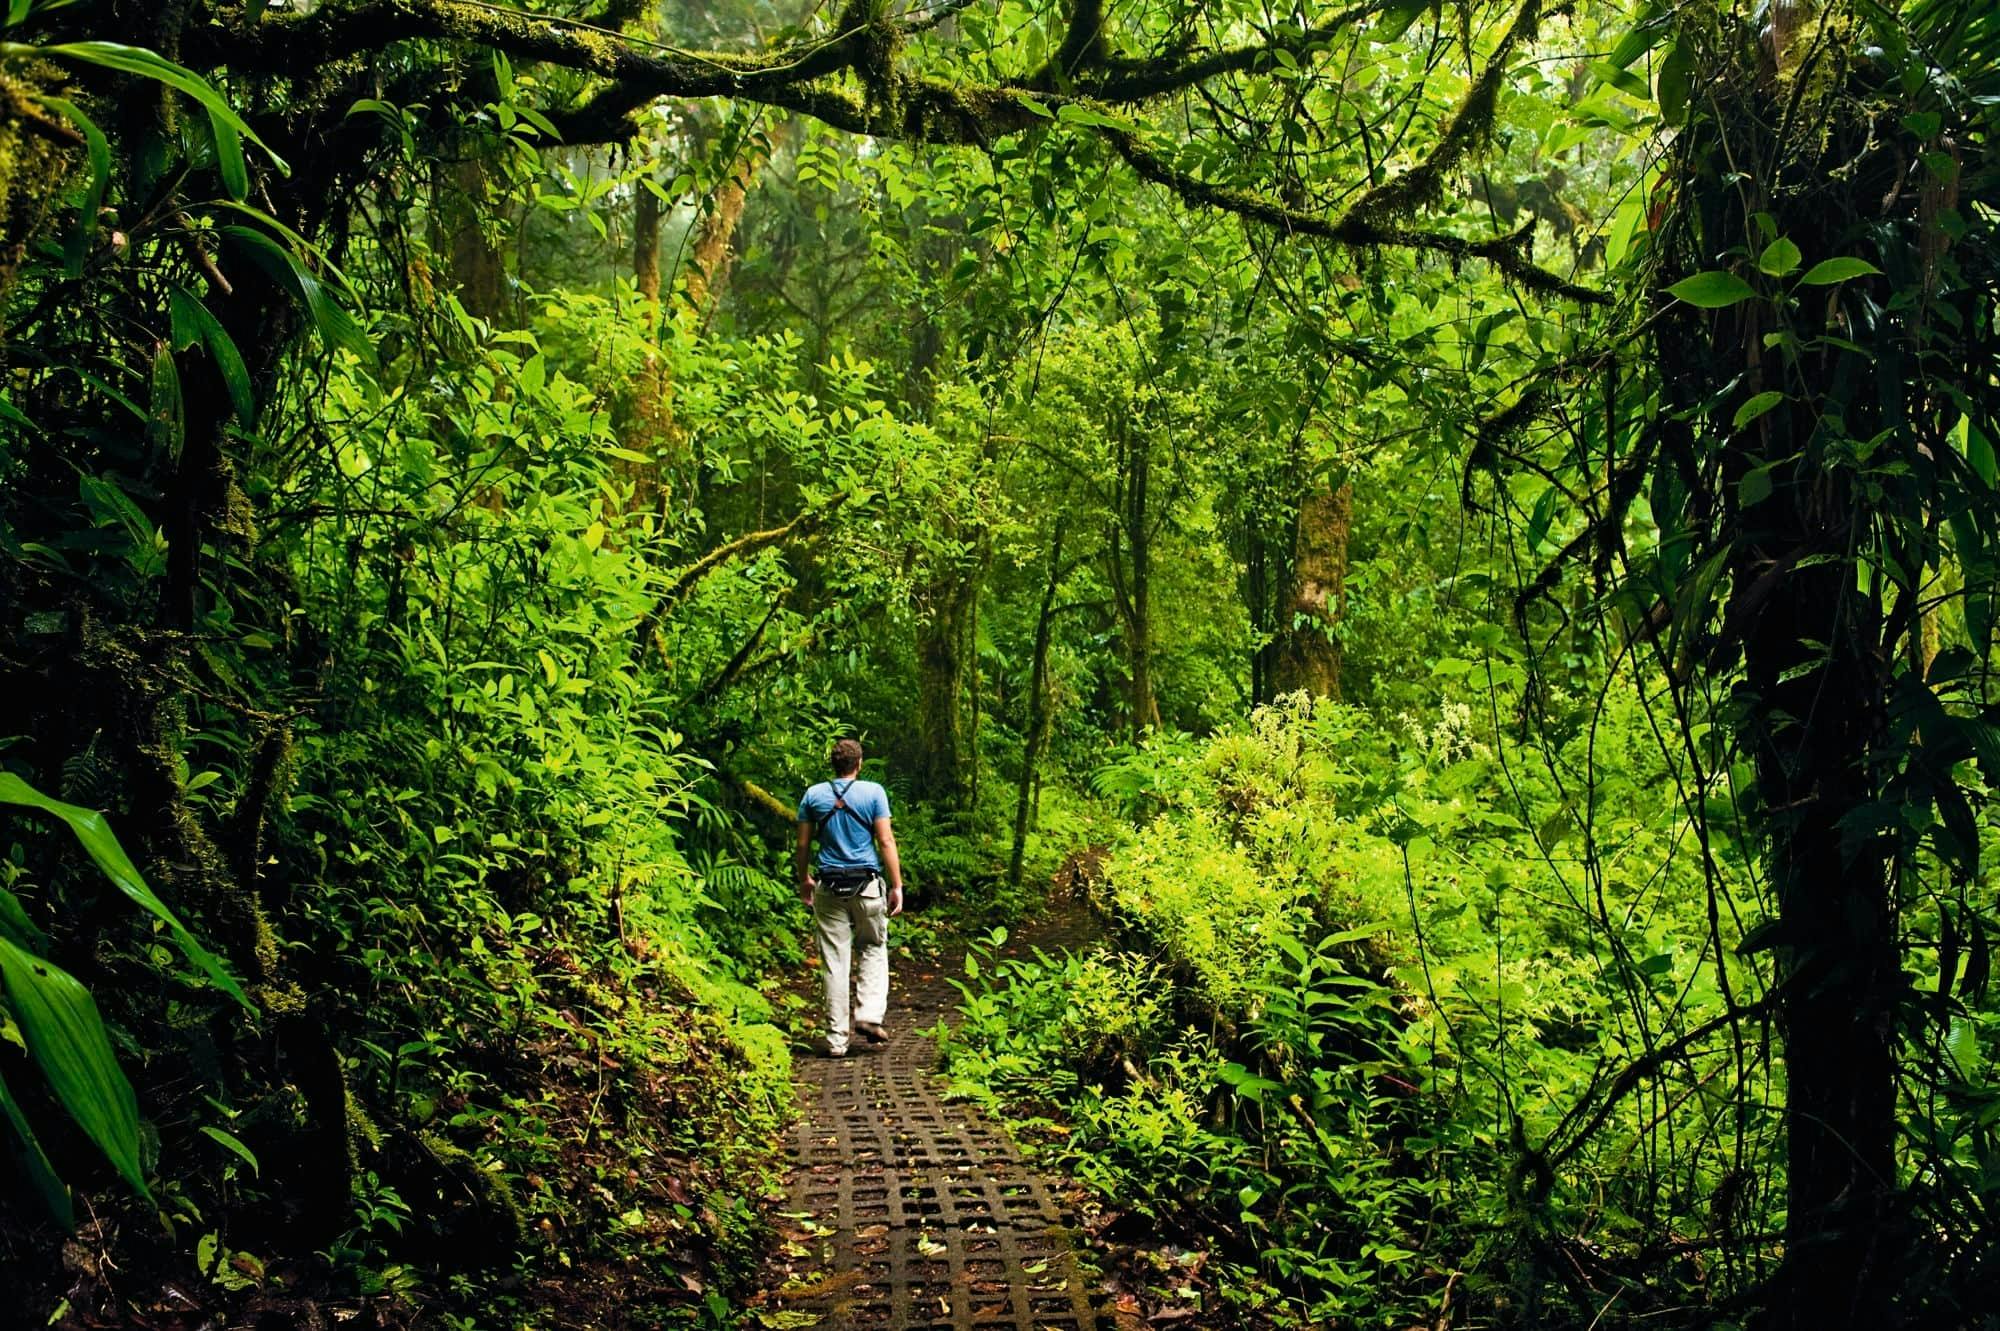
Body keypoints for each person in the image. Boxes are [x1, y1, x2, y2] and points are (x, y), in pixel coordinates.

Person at [796, 738, 904, 1057]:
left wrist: (804, 878)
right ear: (859, 764)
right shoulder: (873, 793)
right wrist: (896, 885)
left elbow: (803, 845)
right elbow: (885, 840)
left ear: (833, 764)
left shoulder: (813, 795)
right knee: (872, 946)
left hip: (828, 887)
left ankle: (836, 1040)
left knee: (835, 961)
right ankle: (869, 1016)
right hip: (867, 886)